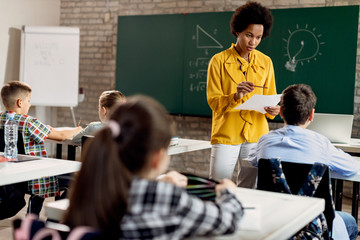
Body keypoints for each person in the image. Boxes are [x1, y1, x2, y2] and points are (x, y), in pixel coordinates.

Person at [62, 95, 243, 239]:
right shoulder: (167, 198)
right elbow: (227, 220)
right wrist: (227, 192)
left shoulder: (89, 188)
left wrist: (159, 183)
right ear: (157, 158)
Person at [248, 84, 359, 240]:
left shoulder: (265, 141)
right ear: (311, 115)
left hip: (271, 221)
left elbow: (253, 160)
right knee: (351, 223)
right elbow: (352, 168)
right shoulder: (321, 144)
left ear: (281, 111)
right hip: (312, 226)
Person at [207, 1, 280, 188]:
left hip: (256, 134)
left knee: (250, 189)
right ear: (237, 31)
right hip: (227, 134)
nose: (253, 42)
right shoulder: (218, 61)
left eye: (258, 37)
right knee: (217, 185)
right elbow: (214, 101)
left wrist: (274, 108)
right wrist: (235, 96)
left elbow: (271, 96)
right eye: (249, 35)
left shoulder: (266, 62)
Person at [0, 81, 82, 215]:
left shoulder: (1, 118)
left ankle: (32, 220)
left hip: (14, 176)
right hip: (34, 178)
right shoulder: (28, 122)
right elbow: (61, 136)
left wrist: (45, 128)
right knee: (76, 179)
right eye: (29, 100)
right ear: (20, 102)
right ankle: (54, 218)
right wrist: (77, 130)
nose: (30, 104)